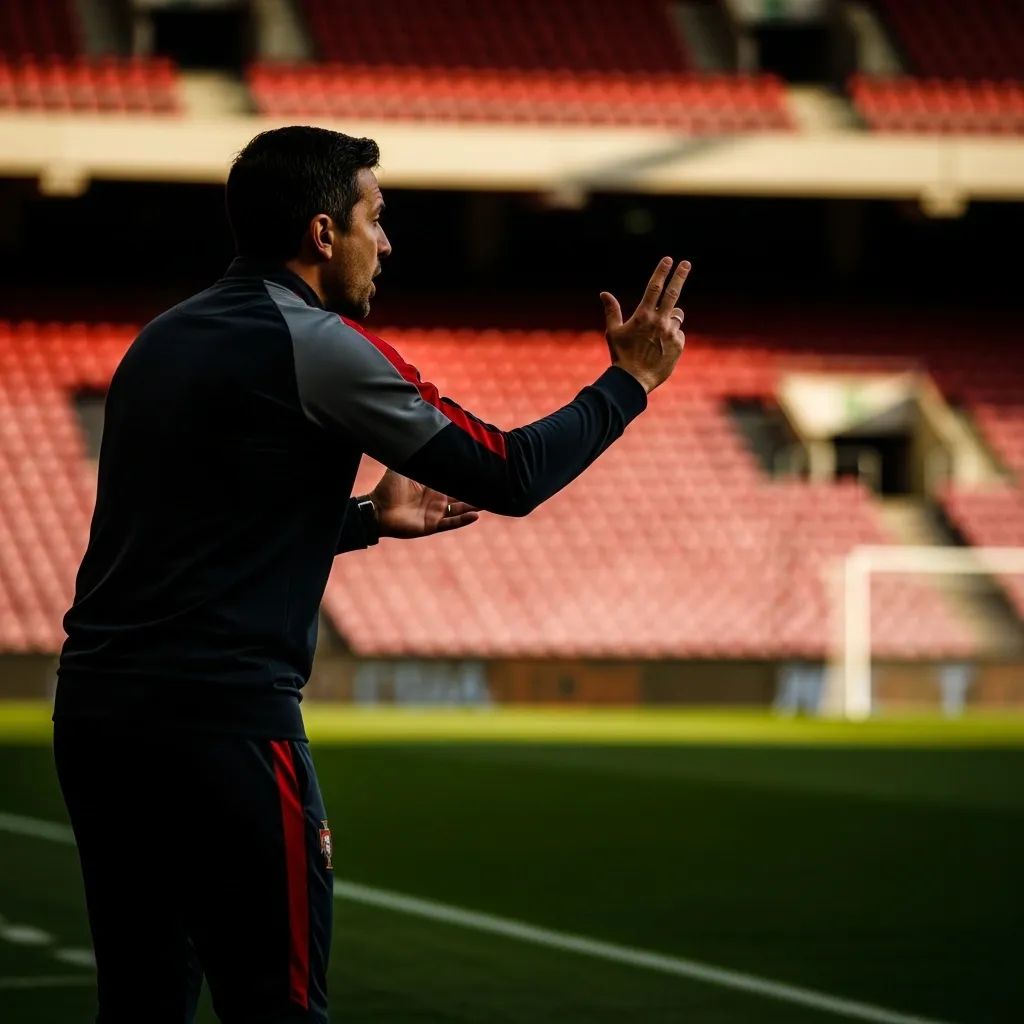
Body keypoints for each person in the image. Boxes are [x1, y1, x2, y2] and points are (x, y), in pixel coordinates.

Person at [52, 125, 690, 1023]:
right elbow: (509, 474)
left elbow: (195, 537)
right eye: (376, 219)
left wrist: (359, 522)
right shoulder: (317, 341)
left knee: (141, 1007)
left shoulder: (159, 339)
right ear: (322, 232)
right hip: (223, 729)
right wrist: (628, 383)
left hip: (98, 724)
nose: (387, 243)